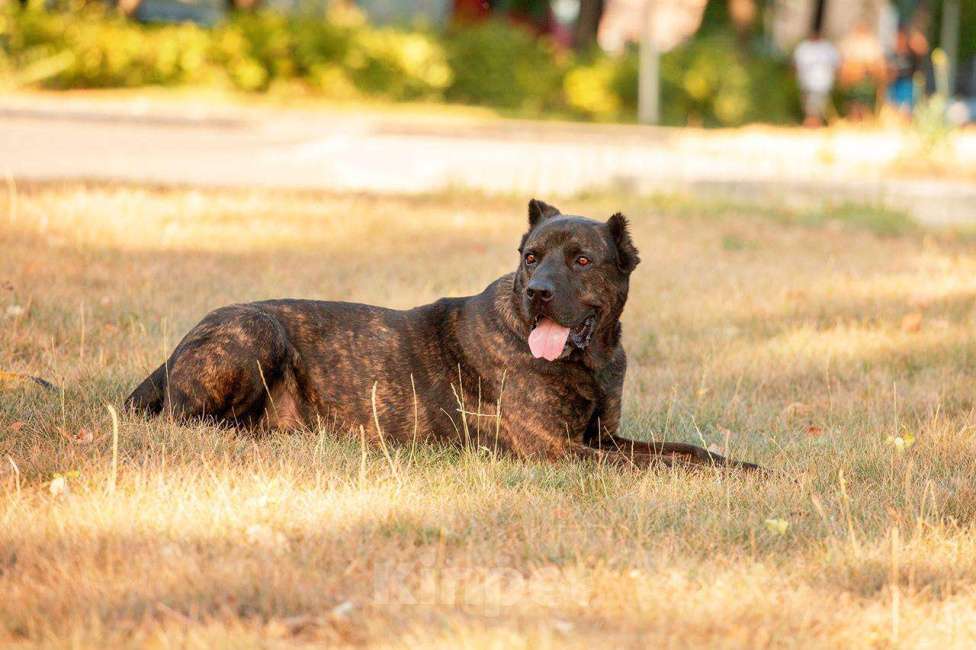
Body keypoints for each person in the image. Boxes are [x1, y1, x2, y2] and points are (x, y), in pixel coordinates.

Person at [793, 29, 841, 127]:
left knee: (818, 103)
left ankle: (815, 120)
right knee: (810, 104)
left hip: (823, 82)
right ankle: (812, 120)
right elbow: (795, 66)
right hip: (807, 82)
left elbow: (837, 65)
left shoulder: (828, 48)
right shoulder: (803, 47)